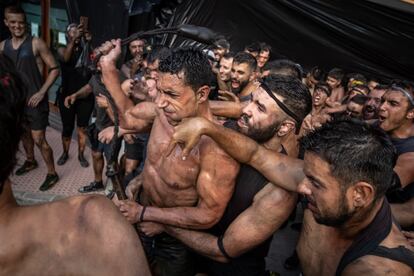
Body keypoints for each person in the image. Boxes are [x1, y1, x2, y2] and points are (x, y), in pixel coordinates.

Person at [169, 116, 414, 275]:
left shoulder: (380, 269)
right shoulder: (329, 184)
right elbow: (255, 155)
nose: (301, 188)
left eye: (315, 183)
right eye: (306, 176)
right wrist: (206, 127)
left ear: (360, 193)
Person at [125, 75, 310, 275]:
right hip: (187, 252)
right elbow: (186, 169)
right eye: (252, 101)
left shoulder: (279, 192)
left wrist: (162, 223)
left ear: (284, 127)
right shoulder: (230, 129)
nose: (246, 109)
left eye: (261, 108)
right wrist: (142, 179)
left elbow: (222, 250)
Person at [0, 53, 151, 276]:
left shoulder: (123, 82)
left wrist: (116, 120)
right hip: (100, 130)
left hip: (117, 134)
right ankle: (98, 181)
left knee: (123, 166)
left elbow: (133, 118)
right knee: (99, 157)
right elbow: (87, 89)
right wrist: (73, 95)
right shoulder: (94, 223)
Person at [98, 40, 239, 276]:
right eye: (160, 90)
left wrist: (148, 215)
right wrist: (108, 67)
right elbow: (129, 119)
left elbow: (208, 215)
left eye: (171, 93)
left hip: (175, 241)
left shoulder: (216, 151)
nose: (160, 102)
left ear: (202, 93)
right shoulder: (165, 112)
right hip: (140, 212)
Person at [0, 5, 60, 191]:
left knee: (39, 139)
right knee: (23, 134)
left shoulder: (36, 43)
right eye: (13, 22)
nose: (18, 26)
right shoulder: (2, 46)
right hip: (16, 102)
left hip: (35, 101)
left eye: (21, 22)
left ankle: (52, 173)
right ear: (6, 23)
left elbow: (55, 69)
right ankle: (30, 161)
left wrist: (42, 92)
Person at [56, 22, 94, 167]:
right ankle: (65, 153)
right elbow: (65, 58)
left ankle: (81, 155)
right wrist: (74, 40)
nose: (76, 33)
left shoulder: (86, 50)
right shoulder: (61, 49)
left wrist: (89, 42)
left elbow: (94, 61)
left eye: (78, 31)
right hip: (66, 96)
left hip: (85, 97)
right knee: (67, 127)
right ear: (67, 35)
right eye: (72, 32)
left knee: (82, 127)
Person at [378, 84, 414, 203]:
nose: (382, 107)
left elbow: (381, 184)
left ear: (411, 113)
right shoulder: (377, 125)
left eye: (393, 104)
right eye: (382, 101)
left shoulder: (411, 153)